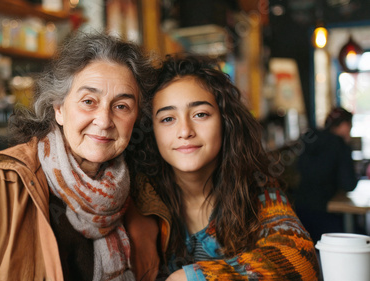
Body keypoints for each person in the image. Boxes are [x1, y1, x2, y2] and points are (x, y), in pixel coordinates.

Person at [0, 32, 158, 281]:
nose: (104, 120)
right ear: (59, 110)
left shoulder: (143, 194)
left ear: (136, 118)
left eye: (121, 106)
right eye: (89, 101)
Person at [129, 54, 320, 280]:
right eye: (168, 119)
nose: (185, 131)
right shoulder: (139, 196)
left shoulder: (256, 188)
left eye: (200, 114)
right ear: (152, 131)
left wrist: (192, 278)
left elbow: (301, 260)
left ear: (225, 122)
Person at [293, 107, 358, 243]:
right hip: (326, 215)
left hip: (298, 212)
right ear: (345, 125)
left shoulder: (309, 138)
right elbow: (349, 184)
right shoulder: (340, 145)